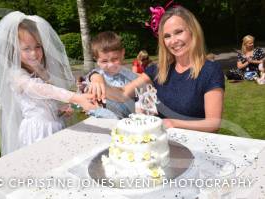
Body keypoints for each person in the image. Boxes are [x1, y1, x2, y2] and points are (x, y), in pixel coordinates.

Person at [88, 6, 225, 132]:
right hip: (160, 144)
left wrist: (174, 123)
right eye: (167, 36)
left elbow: (213, 124)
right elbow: (123, 94)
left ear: (192, 32)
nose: (173, 41)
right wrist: (95, 76)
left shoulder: (210, 71)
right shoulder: (157, 70)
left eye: (178, 32)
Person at [0, 11, 96, 155]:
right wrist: (74, 97)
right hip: (38, 132)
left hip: (54, 126)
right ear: (14, 51)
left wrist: (60, 111)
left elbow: (44, 104)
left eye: (37, 46)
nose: (34, 54)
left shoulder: (41, 71)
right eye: (26, 49)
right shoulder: (16, 75)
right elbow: (39, 89)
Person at [86, 31, 138, 119]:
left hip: (130, 121)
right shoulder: (96, 76)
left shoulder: (130, 76)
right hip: (104, 121)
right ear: (97, 60)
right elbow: (90, 80)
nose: (110, 65)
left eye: (115, 59)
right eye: (104, 61)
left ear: (122, 54)